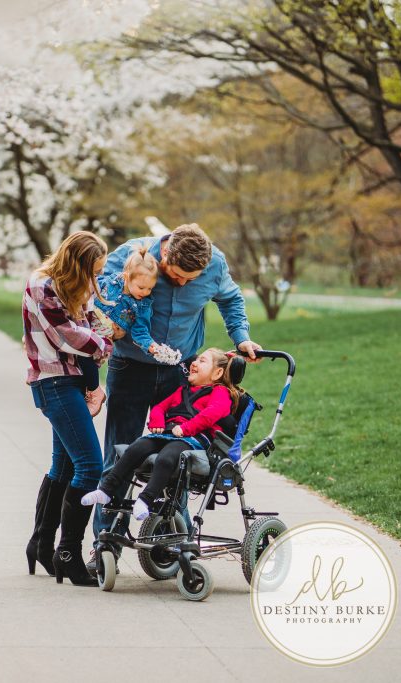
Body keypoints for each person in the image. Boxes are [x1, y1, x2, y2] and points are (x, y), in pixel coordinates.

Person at [89, 224, 262, 571]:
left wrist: (241, 337)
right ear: (164, 254)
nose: (182, 283)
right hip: (130, 366)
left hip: (180, 371)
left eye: (191, 278)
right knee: (120, 453)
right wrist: (106, 326)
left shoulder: (214, 265)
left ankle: (173, 542)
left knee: (178, 458)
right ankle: (106, 547)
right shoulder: (133, 255)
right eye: (177, 276)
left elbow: (230, 298)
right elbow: (93, 296)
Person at [23, 231, 112, 586]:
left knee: (64, 466)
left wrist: (98, 343)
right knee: (91, 467)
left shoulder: (77, 287)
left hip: (72, 382)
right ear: (78, 264)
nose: (96, 279)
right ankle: (69, 555)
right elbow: (69, 336)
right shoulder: (43, 285)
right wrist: (103, 345)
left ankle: (41, 546)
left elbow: (92, 325)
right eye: (94, 269)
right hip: (54, 382)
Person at [81, 348, 244, 519]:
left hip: (194, 439)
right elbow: (160, 407)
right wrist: (157, 421)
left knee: (166, 458)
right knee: (136, 447)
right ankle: (106, 490)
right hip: (169, 434)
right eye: (196, 360)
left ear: (217, 373)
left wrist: (186, 428)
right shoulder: (182, 391)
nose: (194, 363)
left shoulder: (220, 393)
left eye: (202, 361)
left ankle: (145, 500)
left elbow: (212, 413)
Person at [93, 245, 181, 365]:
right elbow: (91, 288)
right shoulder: (111, 281)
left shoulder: (143, 306)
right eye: (141, 287)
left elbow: (140, 330)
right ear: (126, 277)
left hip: (101, 344)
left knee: (88, 373)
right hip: (85, 327)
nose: (145, 292)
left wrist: (152, 347)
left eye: (150, 288)